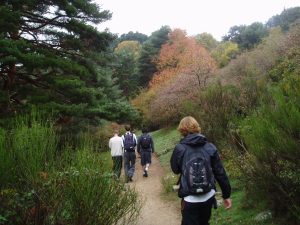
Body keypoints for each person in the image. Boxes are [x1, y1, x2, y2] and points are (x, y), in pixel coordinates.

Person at [170, 116, 232, 225]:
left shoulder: (179, 148)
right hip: (208, 196)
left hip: (189, 199)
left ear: (182, 130)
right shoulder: (209, 147)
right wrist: (226, 195)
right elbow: (220, 173)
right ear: (197, 127)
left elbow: (175, 170)